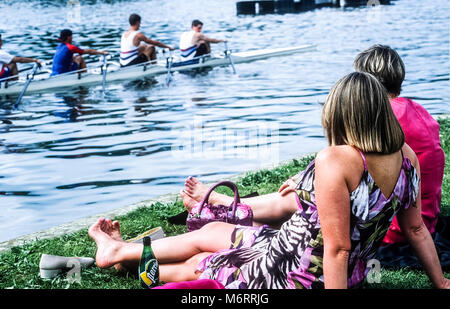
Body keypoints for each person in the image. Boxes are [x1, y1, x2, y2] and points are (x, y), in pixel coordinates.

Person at [89, 72, 450, 289]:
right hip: (318, 261)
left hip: (295, 273)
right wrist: (442, 282)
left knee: (201, 263)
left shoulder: (337, 159)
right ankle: (125, 257)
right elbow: (417, 230)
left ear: (341, 114)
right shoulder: (406, 157)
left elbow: (337, 250)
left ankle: (117, 253)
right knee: (212, 234)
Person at [353, 44, 445, 245]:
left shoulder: (382, 117)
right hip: (426, 220)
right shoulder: (416, 109)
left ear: (367, 82)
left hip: (393, 230)